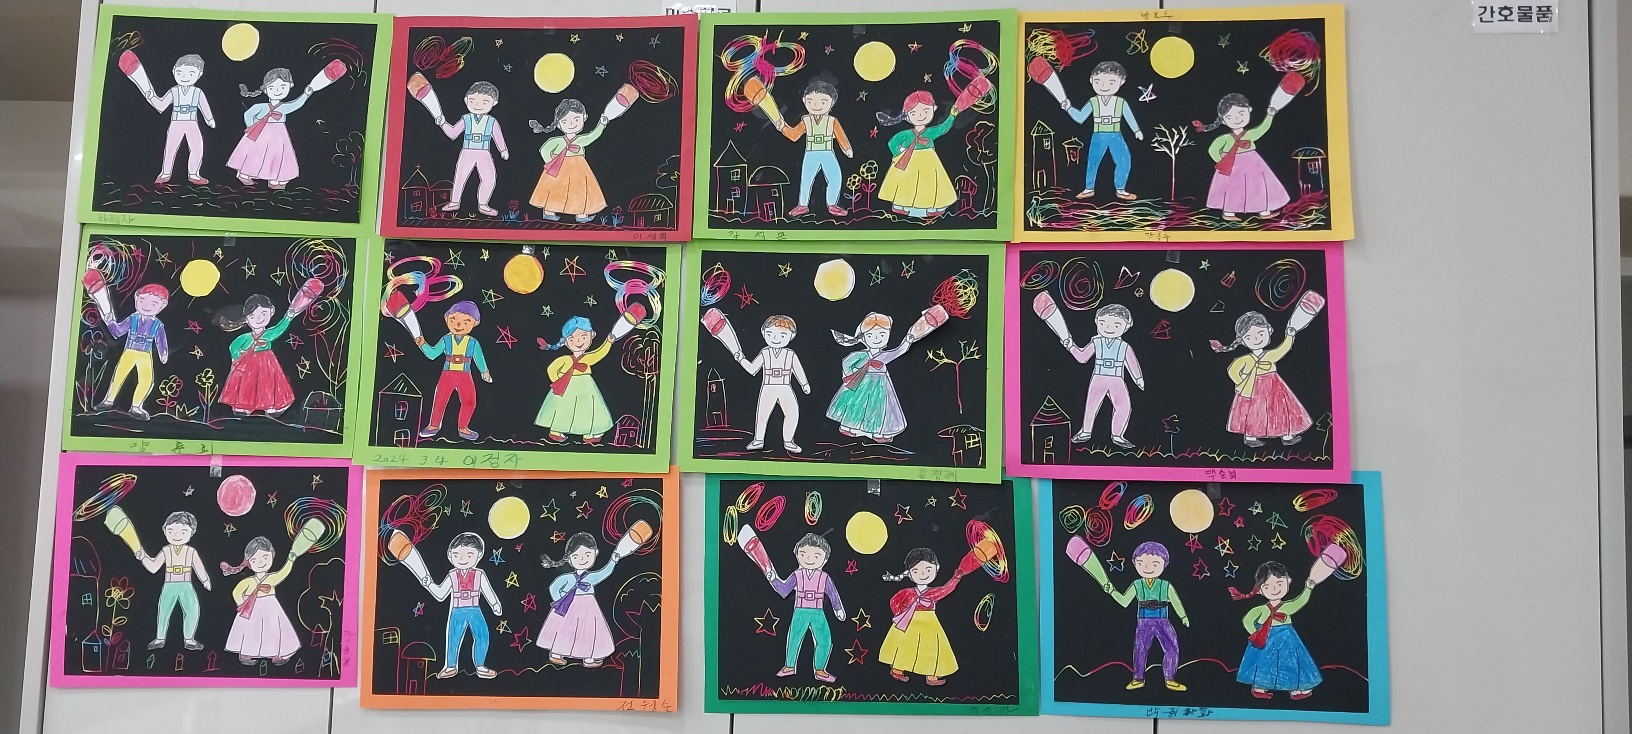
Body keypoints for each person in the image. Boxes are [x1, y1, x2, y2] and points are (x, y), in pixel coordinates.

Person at [1212, 311, 1312, 447]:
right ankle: (1250, 436)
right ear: (1243, 341)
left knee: (1280, 410)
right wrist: (1242, 381)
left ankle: (1287, 435)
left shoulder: (1269, 355)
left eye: (1260, 333)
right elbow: (1232, 371)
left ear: (1269, 330)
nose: (1256, 339)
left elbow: (1282, 349)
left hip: (1274, 387)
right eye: (1249, 337)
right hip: (1253, 389)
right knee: (1253, 413)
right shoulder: (1245, 359)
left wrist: (1290, 335)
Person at [1099, 541, 1189, 691]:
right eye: (1142, 563)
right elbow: (1124, 601)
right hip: (1144, 622)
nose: (1148, 568)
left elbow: (1175, 601)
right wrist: (1112, 591)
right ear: (1135, 564)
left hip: (1163, 621)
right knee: (1140, 649)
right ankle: (1138, 678)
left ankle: (1170, 678)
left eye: (1154, 564)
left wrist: (1183, 616)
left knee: (1172, 647)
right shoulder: (1137, 584)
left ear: (1164, 565)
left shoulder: (1166, 585)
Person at [1229, 561, 1324, 700]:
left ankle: (1295, 688)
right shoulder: (1260, 609)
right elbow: (1247, 620)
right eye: (1267, 586)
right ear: (1260, 590)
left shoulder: (1287, 607)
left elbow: (1300, 602)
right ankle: (1259, 687)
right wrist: (1255, 634)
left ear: (1288, 581)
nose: (1274, 589)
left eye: (1279, 584)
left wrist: (1308, 588)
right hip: (1264, 640)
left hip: (1287, 640)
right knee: (1263, 663)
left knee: (1291, 662)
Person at [1197, 93, 1291, 221]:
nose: (1236, 119)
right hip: (1231, 168)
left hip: (1252, 165)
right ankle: (1228, 213)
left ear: (1249, 110)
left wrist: (1270, 115)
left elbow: (1262, 128)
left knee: (1258, 186)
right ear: (1223, 121)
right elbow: (1212, 150)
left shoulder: (1250, 134)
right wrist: (1223, 162)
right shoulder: (1224, 138)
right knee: (1231, 189)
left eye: (1241, 114)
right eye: (1230, 117)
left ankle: (1264, 211)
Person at [1062, 304, 1144, 448]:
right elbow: (1082, 357)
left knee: (1124, 407)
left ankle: (1117, 435)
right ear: (1096, 322)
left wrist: (1138, 378)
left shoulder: (1125, 347)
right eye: (1103, 323)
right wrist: (1070, 346)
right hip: (1098, 378)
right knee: (1091, 406)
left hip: (1117, 380)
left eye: (1116, 325)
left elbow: (1132, 363)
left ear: (1126, 327)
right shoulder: (1096, 342)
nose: (1108, 328)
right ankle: (1085, 432)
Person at [826, 313, 917, 442]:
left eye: (882, 334)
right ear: (863, 337)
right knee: (856, 405)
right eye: (870, 335)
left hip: (879, 386)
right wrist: (854, 371)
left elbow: (898, 352)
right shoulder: (860, 355)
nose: (877, 338)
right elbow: (846, 364)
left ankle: (878, 431)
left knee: (878, 408)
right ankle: (849, 426)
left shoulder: (884, 356)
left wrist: (908, 340)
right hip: (860, 384)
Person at [536, 533, 623, 667]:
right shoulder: (567, 578)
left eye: (587, 555)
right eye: (576, 556)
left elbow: (604, 573)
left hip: (588, 608)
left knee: (589, 632)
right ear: (569, 559)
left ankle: (589, 658)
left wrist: (613, 560)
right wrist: (561, 600)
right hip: (567, 608)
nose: (582, 559)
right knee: (563, 631)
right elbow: (554, 588)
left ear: (596, 553)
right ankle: (556, 654)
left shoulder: (591, 577)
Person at [767, 533, 845, 682]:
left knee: (825, 640)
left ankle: (820, 669)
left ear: (825, 559)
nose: (809, 559)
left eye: (816, 556)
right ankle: (789, 666)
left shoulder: (824, 577)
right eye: (803, 554)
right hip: (800, 611)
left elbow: (832, 593)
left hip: (818, 612)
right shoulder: (797, 575)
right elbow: (784, 590)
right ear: (797, 555)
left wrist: (838, 608)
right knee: (794, 638)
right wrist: (774, 580)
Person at [425, 532, 502, 679]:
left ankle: (480, 666)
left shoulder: (479, 574)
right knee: (453, 638)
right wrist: (429, 584)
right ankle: (450, 666)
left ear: (479, 555)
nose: (462, 559)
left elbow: (487, 590)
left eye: (469, 555)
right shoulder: (452, 575)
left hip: (475, 611)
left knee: (483, 636)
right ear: (450, 555)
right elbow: (440, 594)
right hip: (457, 611)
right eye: (457, 555)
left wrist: (494, 603)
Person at [879, 548, 960, 685]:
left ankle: (932, 676)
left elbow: (946, 589)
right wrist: (901, 613)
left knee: (933, 648)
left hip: (930, 624)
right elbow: (894, 601)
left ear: (936, 568)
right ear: (909, 574)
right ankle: (897, 670)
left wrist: (956, 577)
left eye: (928, 570)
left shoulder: (933, 593)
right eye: (916, 571)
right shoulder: (907, 592)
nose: (923, 574)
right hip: (908, 622)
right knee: (904, 646)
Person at [775, 79, 854, 217]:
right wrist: (783, 127)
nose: (816, 105)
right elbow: (794, 136)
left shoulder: (832, 121)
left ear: (831, 103)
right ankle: (802, 205)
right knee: (806, 179)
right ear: (804, 101)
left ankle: (832, 204)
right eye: (811, 101)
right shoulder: (806, 120)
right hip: (811, 153)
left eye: (823, 102)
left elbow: (840, 136)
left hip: (827, 153)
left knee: (835, 177)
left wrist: (846, 148)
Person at [535, 316, 619, 444]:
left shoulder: (587, 358)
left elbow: (599, 353)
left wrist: (608, 342)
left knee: (588, 409)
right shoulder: (565, 359)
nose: (578, 341)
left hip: (586, 387)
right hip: (566, 388)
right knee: (562, 409)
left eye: (583, 337)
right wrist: (560, 381)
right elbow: (551, 369)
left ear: (592, 335)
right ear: (566, 342)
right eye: (572, 339)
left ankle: (589, 432)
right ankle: (556, 431)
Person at [135, 511, 211, 651]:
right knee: (164, 611)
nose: (176, 535)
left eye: (183, 532)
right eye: (171, 531)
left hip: (186, 585)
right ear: (165, 531)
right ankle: (160, 638)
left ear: (191, 533)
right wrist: (143, 557)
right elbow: (153, 567)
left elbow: (199, 567)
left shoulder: (191, 551)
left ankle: (189, 639)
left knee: (193, 609)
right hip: (169, 585)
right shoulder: (165, 551)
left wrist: (205, 580)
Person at [1066, 61, 1142, 201]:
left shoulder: (1121, 102)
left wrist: (1136, 130)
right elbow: (1080, 117)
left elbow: (1129, 117)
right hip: (1098, 136)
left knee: (1124, 160)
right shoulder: (1093, 102)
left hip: (1116, 136)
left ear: (1121, 82)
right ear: (1091, 80)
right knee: (1093, 161)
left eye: (1111, 82)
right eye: (1098, 81)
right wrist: (1068, 108)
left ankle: (1121, 189)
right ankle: (1089, 188)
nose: (1104, 86)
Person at [876, 91, 958, 219]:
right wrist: (899, 154)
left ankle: (931, 206)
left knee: (930, 183)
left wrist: (952, 115)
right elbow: (892, 143)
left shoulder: (930, 132)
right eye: (914, 113)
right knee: (905, 183)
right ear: (907, 116)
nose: (920, 116)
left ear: (934, 109)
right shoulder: (906, 134)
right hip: (908, 160)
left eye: (925, 111)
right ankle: (902, 205)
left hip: (928, 162)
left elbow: (943, 127)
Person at [735, 315, 811, 453]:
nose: (775, 338)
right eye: (770, 334)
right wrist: (741, 360)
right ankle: (758, 440)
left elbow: (798, 369)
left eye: (782, 335)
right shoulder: (765, 352)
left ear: (791, 336)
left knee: (793, 414)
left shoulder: (790, 354)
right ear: (763, 333)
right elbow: (753, 369)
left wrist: (804, 384)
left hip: (785, 387)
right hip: (768, 387)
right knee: (762, 415)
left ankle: (789, 441)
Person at [417, 301, 492, 441]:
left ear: (474, 323)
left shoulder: (473, 342)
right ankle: (434, 425)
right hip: (448, 374)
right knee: (440, 399)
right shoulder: (446, 340)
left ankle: (463, 428)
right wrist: (423, 345)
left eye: (466, 322)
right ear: (446, 319)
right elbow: (433, 354)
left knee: (470, 401)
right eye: (453, 319)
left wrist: (484, 371)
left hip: (465, 374)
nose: (458, 325)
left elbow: (479, 358)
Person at [433, 81, 510, 217]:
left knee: (489, 178)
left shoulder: (492, 121)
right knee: (460, 177)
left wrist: (503, 150)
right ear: (466, 100)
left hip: (484, 153)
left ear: (494, 103)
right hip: (467, 152)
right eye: (473, 101)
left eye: (484, 102)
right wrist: (443, 123)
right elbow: (453, 133)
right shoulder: (466, 119)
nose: (478, 105)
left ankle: (483, 204)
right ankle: (454, 202)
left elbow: (498, 136)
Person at [220, 536, 300, 665]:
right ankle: (246, 653)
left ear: (272, 556)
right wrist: (243, 605)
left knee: (273, 629)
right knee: (250, 631)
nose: (261, 562)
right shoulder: (248, 581)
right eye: (255, 560)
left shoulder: (271, 578)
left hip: (271, 610)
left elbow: (283, 573)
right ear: (249, 563)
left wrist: (291, 560)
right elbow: (236, 592)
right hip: (251, 610)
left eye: (265, 557)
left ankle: (276, 652)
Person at [96, 283, 170, 420]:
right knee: (119, 376)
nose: (146, 305)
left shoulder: (158, 325)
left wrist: (163, 353)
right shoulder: (133, 318)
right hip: (129, 352)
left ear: (162, 306)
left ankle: (136, 406)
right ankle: (108, 401)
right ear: (136, 299)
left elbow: (161, 340)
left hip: (145, 355)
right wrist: (110, 322)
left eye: (154, 303)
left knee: (146, 380)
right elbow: (117, 332)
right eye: (142, 300)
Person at [215, 294, 297, 417]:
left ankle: (270, 405)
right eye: (253, 316)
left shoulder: (268, 334)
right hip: (248, 367)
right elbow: (233, 347)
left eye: (263, 314)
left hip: (266, 365)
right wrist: (238, 355)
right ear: (247, 319)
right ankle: (244, 405)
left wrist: (288, 317)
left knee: (267, 384)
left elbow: (279, 329)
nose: (259, 319)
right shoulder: (244, 337)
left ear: (271, 312)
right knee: (247, 385)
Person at [229, 68, 312, 190]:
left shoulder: (283, 107)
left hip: (278, 135)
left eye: (282, 87)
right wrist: (252, 127)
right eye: (272, 87)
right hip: (260, 134)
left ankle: (274, 179)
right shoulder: (261, 106)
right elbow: (248, 115)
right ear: (265, 89)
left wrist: (305, 95)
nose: (277, 91)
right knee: (254, 154)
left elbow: (294, 105)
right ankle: (244, 175)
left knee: (277, 155)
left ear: (290, 86)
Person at [530, 99, 609, 223]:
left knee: (580, 190)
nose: (571, 124)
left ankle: (581, 214)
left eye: (576, 120)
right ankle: (549, 212)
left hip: (578, 169)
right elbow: (544, 150)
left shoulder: (580, 140)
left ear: (584, 118)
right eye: (565, 121)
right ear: (558, 124)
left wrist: (602, 124)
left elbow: (592, 136)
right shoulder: (556, 141)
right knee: (554, 190)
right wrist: (551, 163)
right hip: (558, 169)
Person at [145, 54, 216, 185]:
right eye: (180, 73)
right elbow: (161, 106)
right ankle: (165, 173)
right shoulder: (173, 91)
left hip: (192, 123)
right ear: (174, 71)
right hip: (176, 123)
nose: (184, 77)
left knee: (197, 148)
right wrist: (151, 97)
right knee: (170, 148)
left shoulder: (198, 92)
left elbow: (204, 106)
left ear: (199, 74)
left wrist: (209, 119)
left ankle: (194, 174)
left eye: (190, 74)